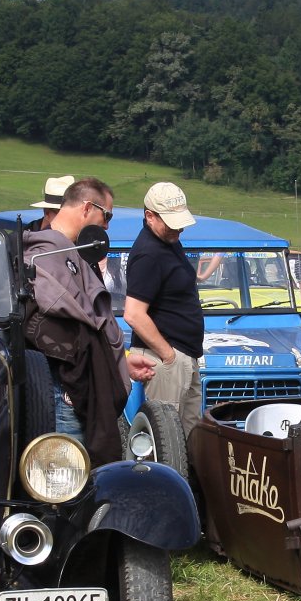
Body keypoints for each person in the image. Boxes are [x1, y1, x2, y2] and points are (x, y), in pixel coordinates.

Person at [23, 177, 153, 461]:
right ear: (86, 207)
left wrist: (120, 360)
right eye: (106, 216)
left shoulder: (72, 253)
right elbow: (80, 322)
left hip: (78, 388)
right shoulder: (46, 254)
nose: (106, 226)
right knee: (71, 472)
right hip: (67, 392)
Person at [123, 182, 204, 437]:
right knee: (168, 439)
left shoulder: (167, 241)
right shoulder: (149, 253)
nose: (178, 228)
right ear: (150, 216)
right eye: (171, 222)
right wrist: (168, 356)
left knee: (189, 436)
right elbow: (133, 313)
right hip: (167, 356)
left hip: (183, 354)